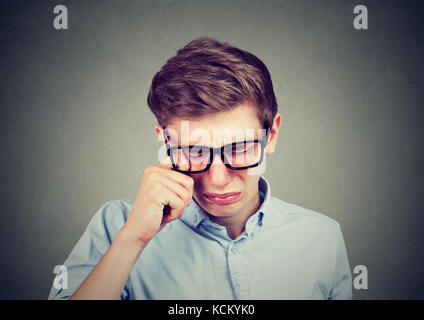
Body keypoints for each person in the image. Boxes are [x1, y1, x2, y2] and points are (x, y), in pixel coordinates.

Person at [48, 37, 352, 300]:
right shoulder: (115, 226)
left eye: (239, 148)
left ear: (270, 135)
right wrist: (133, 240)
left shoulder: (322, 238)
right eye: (193, 151)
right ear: (165, 141)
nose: (217, 179)